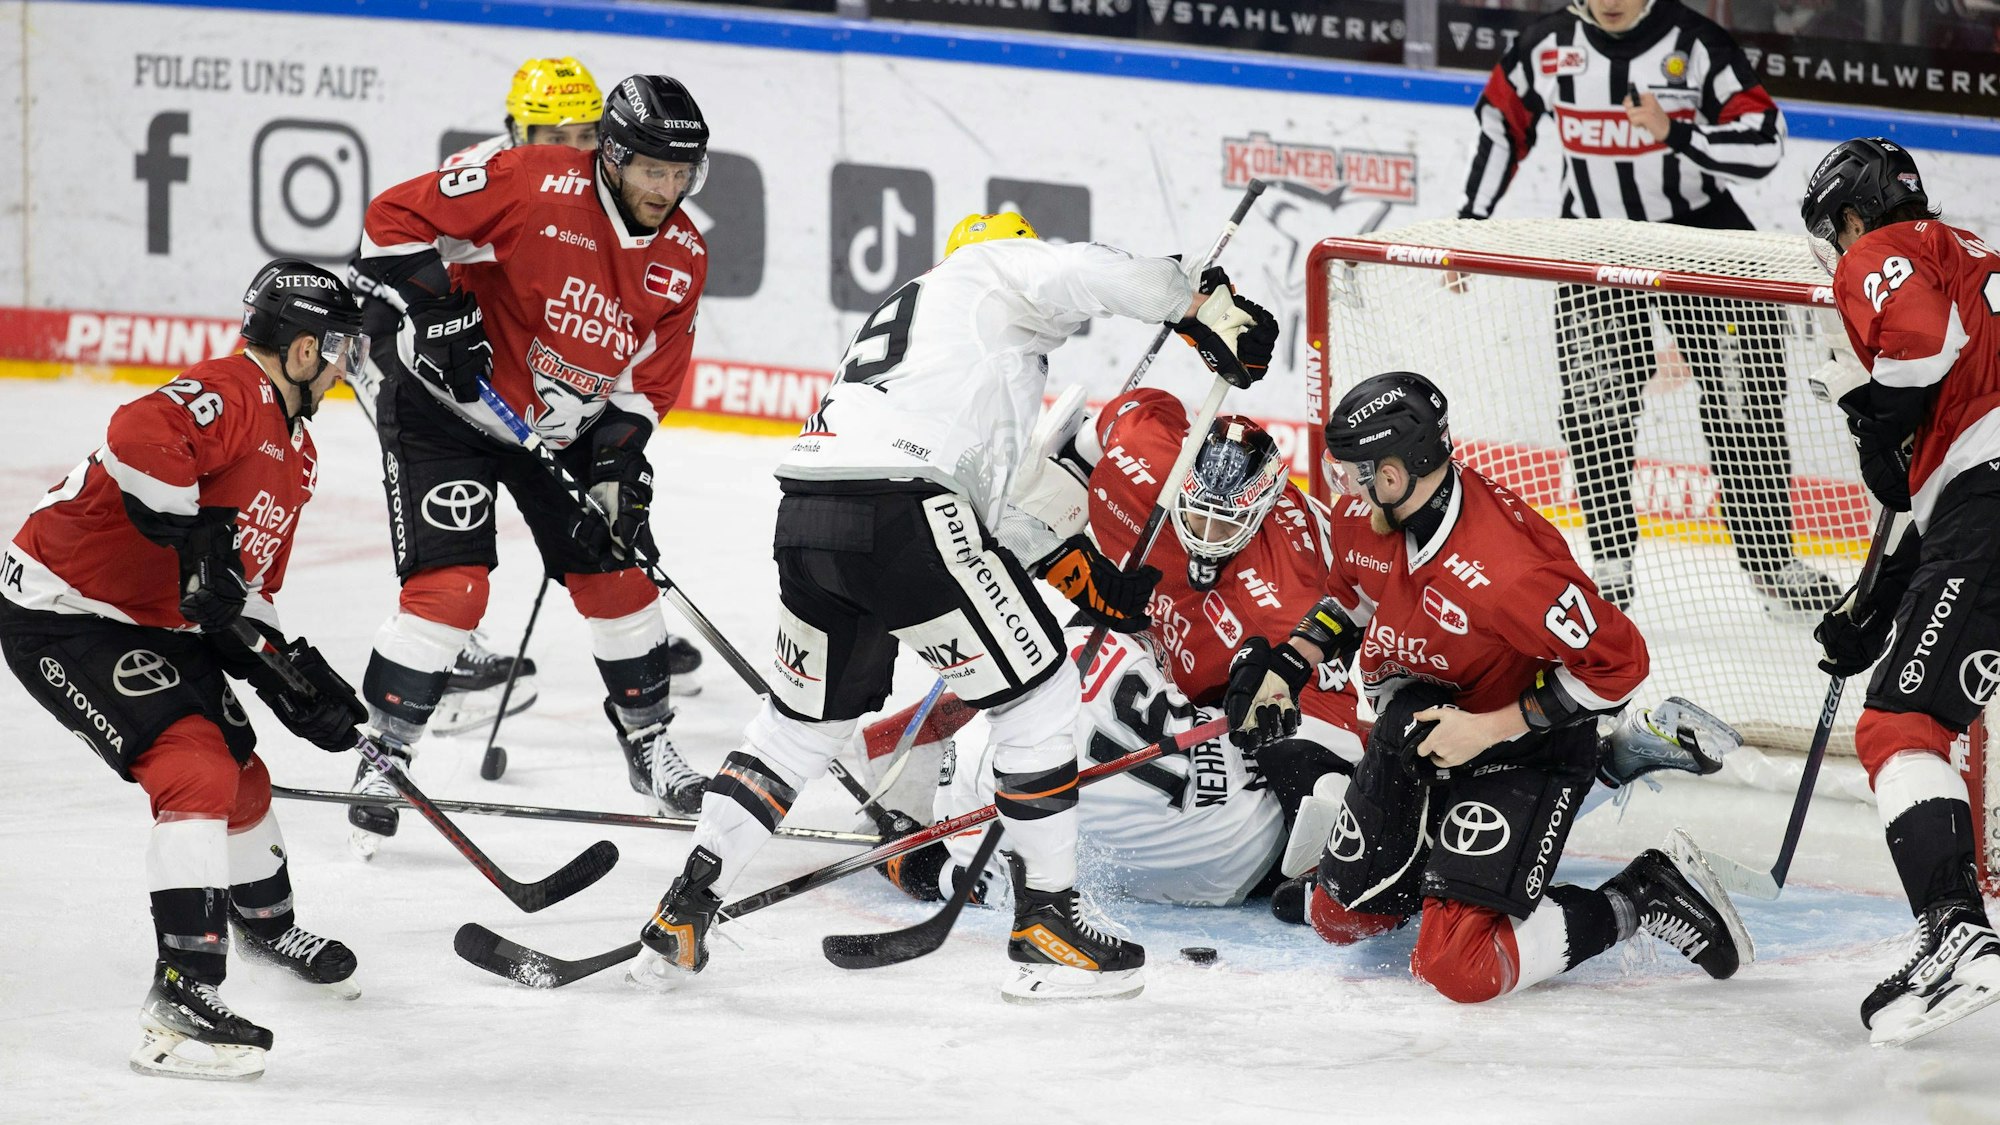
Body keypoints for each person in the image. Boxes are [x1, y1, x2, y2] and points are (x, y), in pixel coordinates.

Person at [629, 211, 1280, 1001]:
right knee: (1040, 696)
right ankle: (1048, 923)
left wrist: (1094, 586)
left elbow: (997, 508)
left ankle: (684, 908)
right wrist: (1200, 305)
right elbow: (1100, 273)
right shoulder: (995, 271)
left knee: (798, 726)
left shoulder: (937, 336)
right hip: (902, 508)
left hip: (809, 511)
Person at [1223, 370, 1753, 1003]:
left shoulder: (1510, 569)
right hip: (1420, 722)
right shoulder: (1367, 517)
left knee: (1459, 969)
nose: (1342, 489)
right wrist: (1288, 667)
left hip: (1523, 746)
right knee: (1337, 917)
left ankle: (1645, 891)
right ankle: (1446, 868)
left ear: (1391, 476)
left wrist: (1488, 729)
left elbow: (1620, 666)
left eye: (1351, 473)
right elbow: (1350, 599)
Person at [0, 261, 370, 1080]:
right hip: (64, 611)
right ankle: (180, 1001)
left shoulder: (296, 456)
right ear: (304, 347)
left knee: (242, 774)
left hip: (151, 620)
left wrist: (295, 676)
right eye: (340, 347)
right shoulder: (229, 391)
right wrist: (192, 531)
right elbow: (137, 432)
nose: (347, 365)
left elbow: (246, 593)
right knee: (194, 768)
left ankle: (264, 922)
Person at [345, 74, 714, 853]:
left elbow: (647, 381)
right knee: (454, 588)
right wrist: (438, 307)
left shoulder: (683, 253)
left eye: (682, 173)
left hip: (561, 426)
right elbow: (390, 219)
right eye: (653, 169)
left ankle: (648, 743)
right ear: (611, 155)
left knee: (619, 573)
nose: (668, 188)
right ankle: (384, 750)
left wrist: (619, 463)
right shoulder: (529, 181)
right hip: (450, 407)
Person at [1459, 0, 1840, 615]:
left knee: (1748, 401)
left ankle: (1771, 563)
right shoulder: (1546, 44)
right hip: (1595, 248)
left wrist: (1677, 133)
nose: (1612, 2)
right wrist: (1472, 221)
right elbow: (1502, 124)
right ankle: (1610, 565)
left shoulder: (1695, 42)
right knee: (1595, 411)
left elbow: (1765, 142)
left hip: (1701, 243)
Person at [1801, 137, 2000, 1046]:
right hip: (1976, 501)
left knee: (1900, 727)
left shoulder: (1886, 250)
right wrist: (1872, 611)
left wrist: (1871, 411)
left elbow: (1916, 347)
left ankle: (1956, 932)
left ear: (1849, 216)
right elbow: (1927, 501)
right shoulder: (1971, 255)